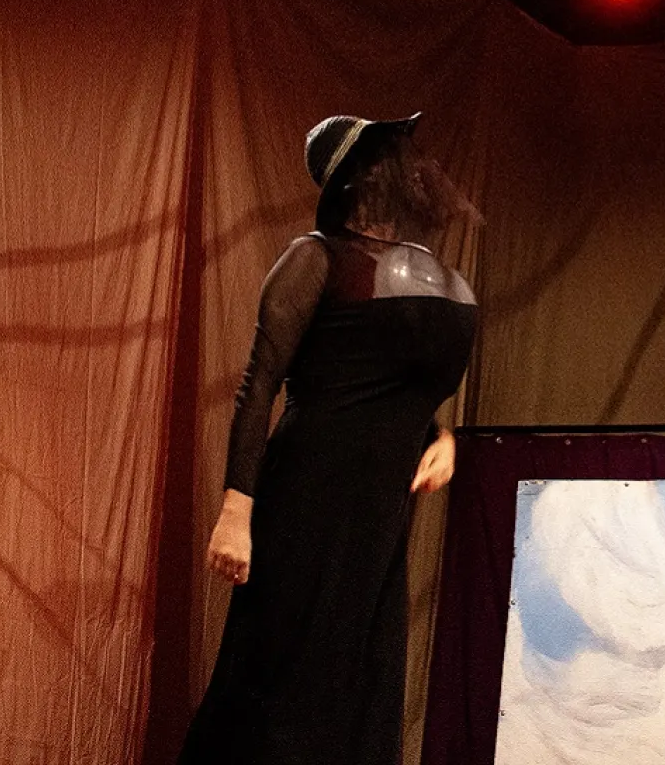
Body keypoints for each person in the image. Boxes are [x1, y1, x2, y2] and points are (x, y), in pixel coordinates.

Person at [182, 113, 479, 765]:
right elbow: (260, 385)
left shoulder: (428, 273)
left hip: (378, 517)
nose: (407, 166)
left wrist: (443, 434)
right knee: (286, 679)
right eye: (381, 155)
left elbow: (394, 379)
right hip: (307, 498)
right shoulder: (314, 258)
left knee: (361, 681)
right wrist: (236, 511)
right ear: (353, 177)